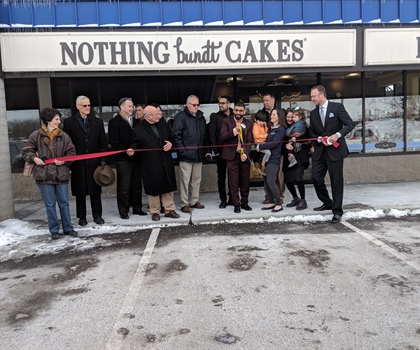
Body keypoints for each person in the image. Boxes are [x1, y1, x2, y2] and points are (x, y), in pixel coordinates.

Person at [22, 108, 77, 240]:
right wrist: (34, 158)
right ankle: (54, 230)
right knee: (50, 204)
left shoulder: (64, 136)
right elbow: (26, 151)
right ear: (48, 120)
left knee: (64, 203)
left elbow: (72, 153)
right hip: (44, 176)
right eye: (56, 119)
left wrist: (63, 161)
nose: (59, 121)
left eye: (59, 119)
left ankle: (68, 228)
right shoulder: (36, 135)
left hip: (61, 175)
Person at [309, 85, 356, 223]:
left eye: (313, 96)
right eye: (311, 97)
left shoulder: (337, 108)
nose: (312, 99)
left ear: (322, 95)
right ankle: (327, 202)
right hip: (320, 152)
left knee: (336, 182)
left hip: (335, 151)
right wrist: (319, 139)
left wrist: (337, 135)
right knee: (316, 178)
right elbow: (312, 132)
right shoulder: (313, 113)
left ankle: (337, 211)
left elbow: (350, 124)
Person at [63, 95, 108, 226]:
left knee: (95, 191)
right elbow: (67, 143)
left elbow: (102, 143)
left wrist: (103, 159)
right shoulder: (69, 122)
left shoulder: (97, 122)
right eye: (85, 105)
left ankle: (97, 215)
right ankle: (81, 217)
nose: (88, 107)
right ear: (78, 107)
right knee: (80, 192)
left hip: (94, 163)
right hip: (78, 163)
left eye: (89, 105)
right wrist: (69, 162)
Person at [133, 105, 180, 221]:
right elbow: (135, 145)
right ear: (148, 116)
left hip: (165, 160)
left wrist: (171, 144)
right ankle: (155, 211)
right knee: (153, 188)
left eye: (159, 114)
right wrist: (131, 151)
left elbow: (172, 139)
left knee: (168, 186)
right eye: (156, 114)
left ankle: (169, 209)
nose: (159, 116)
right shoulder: (138, 129)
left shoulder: (163, 125)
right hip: (150, 163)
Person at [172, 95, 211, 213]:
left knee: (196, 179)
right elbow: (176, 135)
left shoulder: (201, 118)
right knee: (184, 180)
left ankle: (194, 201)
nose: (196, 107)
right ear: (187, 105)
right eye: (194, 105)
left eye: (198, 105)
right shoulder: (180, 117)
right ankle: (184, 203)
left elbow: (205, 136)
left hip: (198, 154)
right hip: (186, 155)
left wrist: (207, 150)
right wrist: (182, 151)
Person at [108, 97, 145, 219]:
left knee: (136, 184)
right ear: (122, 107)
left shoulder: (136, 122)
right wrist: (126, 150)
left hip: (136, 157)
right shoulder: (114, 122)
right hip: (122, 159)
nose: (132, 109)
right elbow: (114, 141)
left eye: (132, 106)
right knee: (124, 186)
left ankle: (137, 208)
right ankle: (123, 210)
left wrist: (133, 149)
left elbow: (139, 138)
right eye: (129, 106)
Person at [220, 101, 254, 213]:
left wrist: (246, 153)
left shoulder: (248, 123)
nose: (238, 112)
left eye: (240, 110)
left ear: (244, 111)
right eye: (236, 110)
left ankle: (245, 202)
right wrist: (233, 132)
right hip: (231, 156)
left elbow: (249, 141)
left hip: (243, 155)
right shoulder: (226, 121)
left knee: (245, 181)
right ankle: (236, 204)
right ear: (233, 110)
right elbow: (222, 136)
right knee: (233, 181)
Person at [257, 108, 287, 213]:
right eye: (271, 114)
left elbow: (274, 144)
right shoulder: (271, 129)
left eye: (274, 114)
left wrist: (261, 146)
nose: (271, 116)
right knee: (266, 182)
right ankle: (271, 201)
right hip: (266, 158)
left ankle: (278, 203)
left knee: (271, 181)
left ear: (279, 116)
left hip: (274, 159)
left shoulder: (281, 129)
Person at [208, 95, 233, 209]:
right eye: (219, 103)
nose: (220, 105)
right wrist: (215, 151)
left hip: (233, 151)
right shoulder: (215, 117)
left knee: (233, 176)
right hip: (221, 152)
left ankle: (233, 198)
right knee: (221, 176)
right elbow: (212, 134)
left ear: (229, 104)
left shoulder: (234, 114)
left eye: (223, 103)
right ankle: (223, 199)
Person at [283, 107, 311, 210]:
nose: (291, 118)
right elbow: (283, 141)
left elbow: (307, 137)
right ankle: (295, 198)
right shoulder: (286, 129)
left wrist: (297, 139)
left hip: (300, 155)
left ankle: (303, 200)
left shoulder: (303, 125)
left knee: (298, 178)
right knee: (288, 180)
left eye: (294, 116)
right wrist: (286, 145)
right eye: (289, 117)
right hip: (289, 156)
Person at [252, 110, 270, 175]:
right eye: (260, 121)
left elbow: (266, 131)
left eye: (263, 121)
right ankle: (262, 165)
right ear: (255, 120)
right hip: (259, 143)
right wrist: (266, 136)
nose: (261, 123)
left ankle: (263, 164)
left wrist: (266, 126)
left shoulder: (262, 126)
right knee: (268, 153)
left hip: (263, 142)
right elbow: (256, 136)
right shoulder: (255, 126)